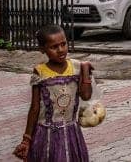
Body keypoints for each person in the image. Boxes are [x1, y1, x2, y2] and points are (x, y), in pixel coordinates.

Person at [13, 24, 93, 161]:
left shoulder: (77, 67)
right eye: (54, 47)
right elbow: (34, 108)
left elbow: (86, 95)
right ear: (42, 49)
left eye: (63, 44)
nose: (61, 50)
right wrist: (26, 139)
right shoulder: (40, 72)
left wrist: (85, 70)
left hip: (72, 133)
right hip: (46, 135)